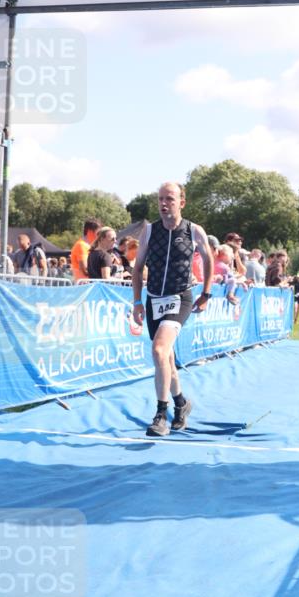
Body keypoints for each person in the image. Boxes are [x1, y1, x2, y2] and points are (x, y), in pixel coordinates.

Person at [132, 182, 213, 438]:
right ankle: (181, 403)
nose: (164, 203)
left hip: (180, 298)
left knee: (158, 349)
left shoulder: (193, 230)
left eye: (170, 198)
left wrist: (206, 293)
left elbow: (209, 259)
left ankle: (160, 414)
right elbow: (137, 269)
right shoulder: (149, 231)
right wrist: (136, 301)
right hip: (154, 298)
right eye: (160, 199)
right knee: (165, 358)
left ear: (182, 202)